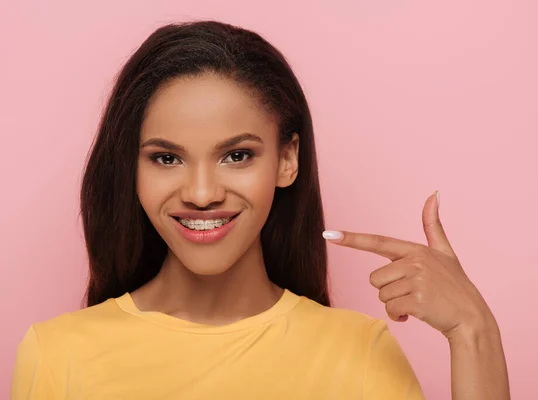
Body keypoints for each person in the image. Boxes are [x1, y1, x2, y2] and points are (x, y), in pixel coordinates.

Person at [10, 20, 510, 399]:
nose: (202, 193)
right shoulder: (57, 356)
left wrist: (473, 330)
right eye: (166, 157)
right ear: (131, 169)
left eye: (236, 155)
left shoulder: (360, 354)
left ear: (287, 160)